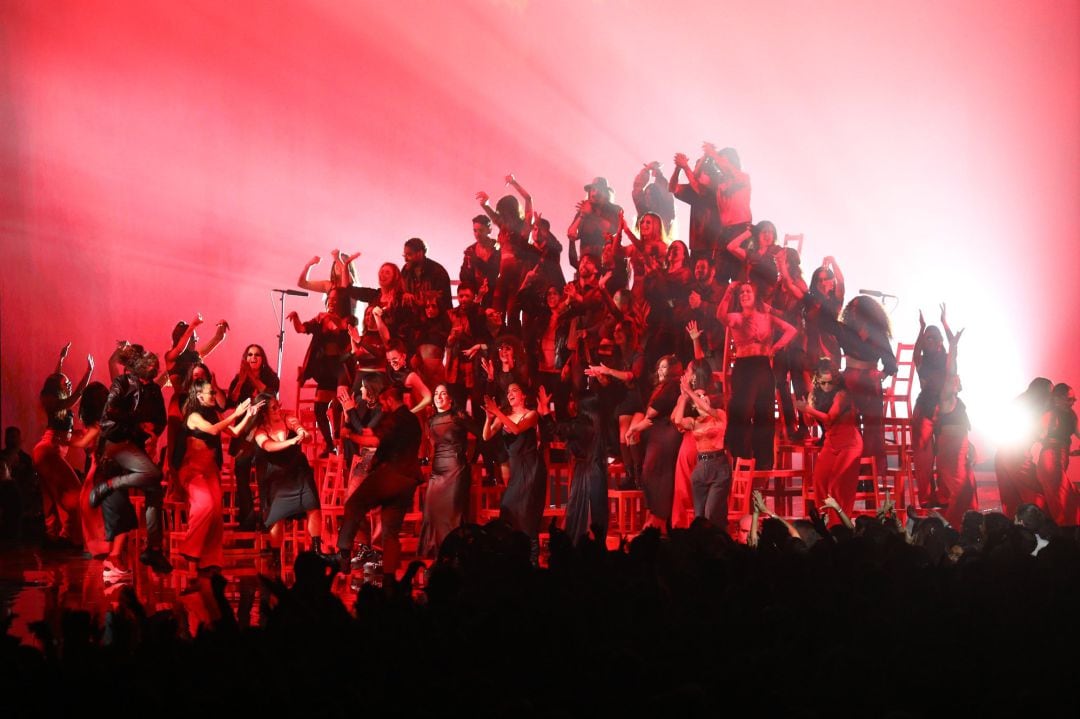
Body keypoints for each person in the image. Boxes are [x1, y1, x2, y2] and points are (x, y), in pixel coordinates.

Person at [89, 343, 172, 575]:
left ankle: (147, 550)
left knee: (151, 490)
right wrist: (138, 425)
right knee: (151, 478)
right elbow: (111, 413)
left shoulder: (154, 390)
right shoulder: (122, 384)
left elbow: (160, 419)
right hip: (117, 446)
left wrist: (153, 430)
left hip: (135, 448)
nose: (153, 365)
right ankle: (121, 555)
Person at [335, 384, 423, 581]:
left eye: (383, 403)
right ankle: (390, 577)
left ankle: (343, 554)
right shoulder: (413, 420)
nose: (382, 407)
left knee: (354, 504)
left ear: (390, 400)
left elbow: (373, 441)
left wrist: (349, 435)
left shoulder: (394, 418)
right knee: (390, 531)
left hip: (391, 474)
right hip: (409, 480)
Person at [176, 381, 258, 576]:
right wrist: (235, 414)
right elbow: (213, 430)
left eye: (213, 392)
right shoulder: (194, 416)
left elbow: (234, 432)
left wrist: (247, 415)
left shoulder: (215, 415)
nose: (214, 395)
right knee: (205, 505)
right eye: (209, 393)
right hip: (193, 468)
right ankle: (190, 550)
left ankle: (208, 561)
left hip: (210, 468)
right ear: (198, 396)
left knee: (216, 515)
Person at [716, 282, 797, 470]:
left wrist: (775, 347)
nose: (744, 294)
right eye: (741, 292)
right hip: (744, 367)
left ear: (755, 295)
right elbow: (720, 315)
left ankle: (763, 462)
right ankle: (741, 457)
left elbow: (791, 330)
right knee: (741, 411)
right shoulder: (737, 317)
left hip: (762, 366)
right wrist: (729, 291)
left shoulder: (767, 317)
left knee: (765, 414)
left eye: (748, 291)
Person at [252, 394, 329, 570]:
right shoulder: (260, 429)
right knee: (277, 516)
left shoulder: (288, 418)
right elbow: (269, 446)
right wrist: (291, 441)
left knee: (313, 506)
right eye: (273, 408)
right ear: (263, 413)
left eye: (278, 405)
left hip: (298, 469)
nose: (278, 410)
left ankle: (317, 549)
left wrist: (302, 433)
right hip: (277, 475)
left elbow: (302, 431)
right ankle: (275, 555)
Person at [33, 343, 93, 549]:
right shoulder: (53, 402)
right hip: (49, 450)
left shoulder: (56, 400)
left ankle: (54, 536)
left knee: (52, 496)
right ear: (56, 387)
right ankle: (68, 536)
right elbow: (76, 395)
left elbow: (56, 377)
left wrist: (61, 359)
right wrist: (89, 372)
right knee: (74, 491)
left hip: (51, 451)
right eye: (65, 382)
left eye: (68, 381)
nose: (68, 383)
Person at [483, 383, 547, 563]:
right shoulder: (504, 416)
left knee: (528, 516)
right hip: (517, 470)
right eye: (508, 391)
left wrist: (497, 412)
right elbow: (486, 436)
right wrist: (489, 418)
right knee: (509, 511)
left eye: (515, 390)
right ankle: (512, 559)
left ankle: (533, 562)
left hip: (532, 469)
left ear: (523, 395)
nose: (510, 393)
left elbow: (517, 429)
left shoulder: (531, 414)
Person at [538, 387, 608, 545]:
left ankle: (581, 547)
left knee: (583, 512)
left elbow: (558, 430)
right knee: (588, 512)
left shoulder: (584, 425)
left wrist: (545, 411)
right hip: (592, 471)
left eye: (573, 400)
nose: (571, 404)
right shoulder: (594, 422)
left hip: (587, 475)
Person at [287, 291, 353, 457]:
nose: (331, 302)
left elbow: (341, 333)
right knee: (319, 409)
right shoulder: (320, 319)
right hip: (324, 372)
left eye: (335, 299)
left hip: (340, 370)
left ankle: (340, 439)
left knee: (340, 405)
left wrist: (333, 322)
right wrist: (295, 317)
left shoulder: (348, 321)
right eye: (329, 299)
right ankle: (330, 446)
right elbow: (301, 328)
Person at [417, 384, 478, 558]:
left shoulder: (458, 416)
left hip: (456, 470)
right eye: (436, 393)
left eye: (443, 393)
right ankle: (437, 556)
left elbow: (482, 435)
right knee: (431, 512)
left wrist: (471, 458)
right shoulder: (432, 419)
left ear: (450, 399)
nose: (439, 397)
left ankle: (455, 556)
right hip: (438, 472)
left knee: (452, 515)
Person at [225, 344, 281, 530]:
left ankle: (267, 519)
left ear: (263, 359)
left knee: (264, 477)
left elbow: (269, 395)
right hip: (244, 435)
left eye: (257, 355)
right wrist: (241, 380)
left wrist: (251, 376)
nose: (253, 358)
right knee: (241, 472)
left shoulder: (271, 378)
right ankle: (247, 521)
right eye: (249, 354)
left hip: (264, 434)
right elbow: (230, 402)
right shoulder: (240, 378)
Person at [626, 355, 684, 531]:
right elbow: (649, 416)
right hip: (658, 435)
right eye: (659, 366)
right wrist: (636, 428)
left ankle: (659, 520)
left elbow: (651, 413)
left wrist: (638, 425)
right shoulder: (662, 387)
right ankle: (655, 519)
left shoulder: (672, 386)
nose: (660, 370)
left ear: (673, 370)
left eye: (665, 367)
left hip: (665, 436)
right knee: (650, 474)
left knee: (656, 475)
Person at [796, 364, 863, 518]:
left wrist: (808, 409)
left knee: (837, 485)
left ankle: (838, 524)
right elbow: (809, 422)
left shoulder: (842, 395)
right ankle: (825, 520)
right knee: (819, 480)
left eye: (830, 382)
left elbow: (830, 418)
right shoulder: (816, 394)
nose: (826, 386)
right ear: (817, 382)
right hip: (831, 442)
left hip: (849, 445)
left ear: (836, 381)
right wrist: (807, 406)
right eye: (823, 383)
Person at [672, 362, 730, 529]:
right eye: (699, 400)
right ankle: (701, 547)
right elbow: (677, 420)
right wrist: (683, 397)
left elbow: (707, 407)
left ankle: (716, 542)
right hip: (701, 467)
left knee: (710, 513)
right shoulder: (695, 422)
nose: (702, 400)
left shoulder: (719, 415)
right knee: (700, 516)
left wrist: (691, 392)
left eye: (704, 398)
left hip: (718, 466)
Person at [994, 378, 1053, 519]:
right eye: (1050, 392)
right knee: (1036, 493)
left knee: (1011, 497)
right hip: (1016, 456)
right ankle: (1039, 526)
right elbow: (1040, 434)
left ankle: (1015, 529)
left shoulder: (1020, 401)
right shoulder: (1037, 408)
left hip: (1004, 453)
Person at [911, 307, 949, 507]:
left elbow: (954, 348)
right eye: (927, 338)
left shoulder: (947, 359)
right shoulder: (921, 359)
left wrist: (945, 324)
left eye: (934, 337)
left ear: (940, 341)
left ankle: (944, 496)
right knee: (923, 458)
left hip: (944, 409)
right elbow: (916, 352)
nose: (930, 340)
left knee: (944, 454)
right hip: (925, 408)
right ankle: (926, 498)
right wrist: (921, 328)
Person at [1034, 383, 1080, 526]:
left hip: (1062, 458)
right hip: (1050, 458)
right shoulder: (1050, 414)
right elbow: (1039, 434)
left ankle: (1063, 528)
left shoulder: (1072, 415)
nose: (1072, 403)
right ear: (1057, 399)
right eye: (1069, 399)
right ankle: (1068, 528)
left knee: (1059, 496)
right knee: (1064, 495)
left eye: (1074, 400)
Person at [568, 176, 622, 261]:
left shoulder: (614, 210)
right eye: (593, 190)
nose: (595, 194)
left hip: (607, 261)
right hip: (586, 263)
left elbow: (613, 230)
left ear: (606, 194)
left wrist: (593, 215)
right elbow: (571, 234)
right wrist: (582, 215)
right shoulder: (584, 209)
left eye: (599, 190)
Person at [459, 215, 501, 308]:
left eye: (481, 230)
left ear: (489, 230)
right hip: (477, 295)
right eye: (475, 230)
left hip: (495, 294)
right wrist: (469, 265)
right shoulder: (471, 249)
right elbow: (463, 276)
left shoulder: (498, 247)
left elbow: (495, 272)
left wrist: (476, 261)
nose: (477, 234)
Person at [401, 237, 452, 312]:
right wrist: (404, 295)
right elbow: (399, 291)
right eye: (404, 255)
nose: (405, 259)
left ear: (420, 253)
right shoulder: (405, 271)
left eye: (409, 255)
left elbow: (442, 299)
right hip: (411, 318)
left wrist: (418, 298)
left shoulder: (437, 271)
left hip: (433, 319)